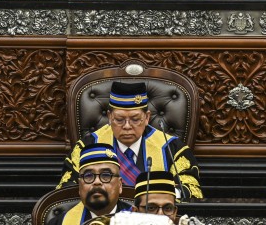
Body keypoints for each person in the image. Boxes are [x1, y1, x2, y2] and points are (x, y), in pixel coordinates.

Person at [58, 81, 202, 198]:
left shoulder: (172, 148)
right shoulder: (87, 146)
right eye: (119, 120)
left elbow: (192, 190)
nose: (127, 126)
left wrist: (159, 195)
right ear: (109, 117)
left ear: (146, 118)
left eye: (135, 119)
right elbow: (66, 189)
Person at [55, 144, 129, 224]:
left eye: (106, 175)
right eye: (88, 176)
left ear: (120, 185)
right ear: (79, 186)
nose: (97, 182)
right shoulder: (60, 223)